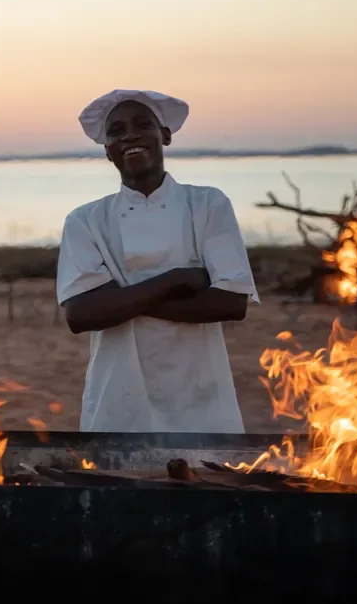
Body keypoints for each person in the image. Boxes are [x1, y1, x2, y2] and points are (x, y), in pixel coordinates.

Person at [56, 89, 259, 433]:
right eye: (117, 131)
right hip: (118, 399)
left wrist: (119, 298)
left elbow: (231, 302)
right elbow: (80, 315)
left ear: (164, 135)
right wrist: (176, 279)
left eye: (141, 124)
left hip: (200, 399)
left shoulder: (208, 205)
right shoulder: (85, 220)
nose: (130, 135)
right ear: (107, 150)